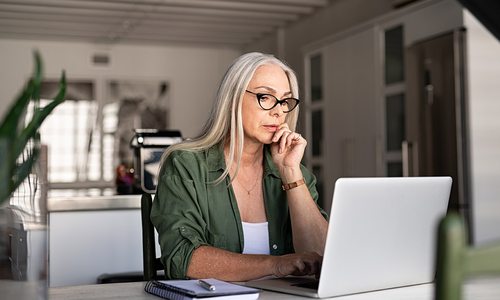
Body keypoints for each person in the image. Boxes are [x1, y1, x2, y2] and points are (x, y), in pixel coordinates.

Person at [151, 52, 328, 281]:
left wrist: (290, 173)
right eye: (265, 97)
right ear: (233, 98)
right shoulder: (186, 165)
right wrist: (276, 265)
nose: (279, 111)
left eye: (285, 101)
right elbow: (183, 260)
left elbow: (324, 258)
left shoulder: (295, 172)